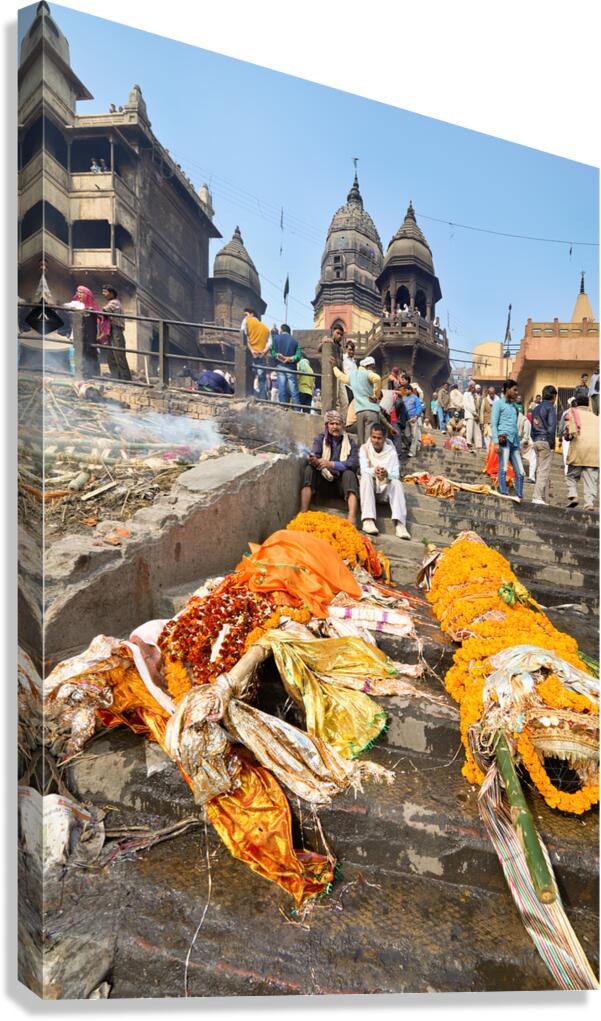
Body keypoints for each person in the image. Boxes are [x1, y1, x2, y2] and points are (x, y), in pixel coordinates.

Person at [300, 410, 360, 525]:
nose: (335, 427)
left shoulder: (350, 442)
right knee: (309, 470)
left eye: (338, 424)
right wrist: (315, 461)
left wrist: (331, 464)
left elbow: (353, 463)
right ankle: (303, 512)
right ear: (327, 426)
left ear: (342, 425)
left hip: (341, 485)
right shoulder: (320, 439)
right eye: (331, 424)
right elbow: (315, 456)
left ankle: (352, 517)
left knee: (350, 474)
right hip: (323, 482)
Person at [359, 423, 410, 539]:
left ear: (385, 438)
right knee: (366, 476)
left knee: (397, 483)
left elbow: (396, 475)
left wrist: (387, 474)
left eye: (379, 438)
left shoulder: (391, 452)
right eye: (374, 437)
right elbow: (363, 469)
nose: (376, 441)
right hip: (369, 489)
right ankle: (368, 519)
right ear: (370, 437)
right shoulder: (364, 449)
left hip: (385, 491)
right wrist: (374, 471)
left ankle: (400, 524)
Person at [333, 356, 382, 446]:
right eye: (373, 367)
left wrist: (334, 367)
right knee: (370, 441)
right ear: (369, 366)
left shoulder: (352, 376)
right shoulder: (368, 374)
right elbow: (377, 378)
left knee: (361, 441)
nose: (374, 369)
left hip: (359, 412)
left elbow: (341, 377)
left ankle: (361, 459)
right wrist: (376, 395)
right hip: (371, 410)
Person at [564, 391, 599, 510]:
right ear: (588, 403)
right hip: (595, 452)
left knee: (571, 476)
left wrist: (567, 436)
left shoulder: (573, 413)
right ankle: (589, 503)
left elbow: (570, 432)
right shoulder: (596, 417)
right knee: (591, 479)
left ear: (576, 403)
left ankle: (573, 495)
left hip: (579, 449)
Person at [491, 378, 524, 500]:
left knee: (521, 472)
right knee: (503, 468)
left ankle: (519, 495)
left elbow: (515, 427)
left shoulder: (514, 407)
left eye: (517, 390)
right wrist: (495, 442)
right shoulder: (498, 404)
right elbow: (493, 424)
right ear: (507, 390)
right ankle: (504, 493)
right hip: (503, 441)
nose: (516, 393)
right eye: (514, 390)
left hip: (514, 443)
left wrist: (519, 446)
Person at [63, 285, 102, 378]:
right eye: (78, 292)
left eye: (82, 293)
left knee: (90, 352)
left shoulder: (93, 306)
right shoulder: (75, 304)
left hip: (90, 333)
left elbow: (100, 318)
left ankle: (92, 374)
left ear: (87, 295)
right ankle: (79, 373)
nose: (79, 294)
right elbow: (64, 306)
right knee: (78, 352)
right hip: (78, 332)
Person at [530, 384, 558, 505]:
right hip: (545, 440)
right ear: (553, 396)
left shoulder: (536, 408)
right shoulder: (551, 407)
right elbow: (552, 427)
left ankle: (541, 497)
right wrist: (551, 445)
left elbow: (532, 427)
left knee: (540, 469)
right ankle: (537, 496)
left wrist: (535, 439)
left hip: (536, 440)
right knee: (543, 470)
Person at [100, 285, 131, 381]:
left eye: (105, 292)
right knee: (111, 357)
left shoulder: (114, 303)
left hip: (116, 330)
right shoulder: (112, 302)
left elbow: (103, 311)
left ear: (111, 293)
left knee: (119, 356)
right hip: (112, 331)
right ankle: (116, 378)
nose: (103, 294)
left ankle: (126, 380)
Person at [241, 307, 271, 400]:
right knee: (262, 379)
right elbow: (270, 343)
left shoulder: (246, 321)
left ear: (252, 314)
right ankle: (262, 400)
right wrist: (263, 352)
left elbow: (243, 336)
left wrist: (251, 350)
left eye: (246, 314)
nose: (245, 316)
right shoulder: (266, 328)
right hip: (261, 356)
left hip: (250, 355)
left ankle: (249, 397)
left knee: (249, 376)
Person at [271, 323, 301, 406]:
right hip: (291, 368)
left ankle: (283, 407)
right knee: (294, 390)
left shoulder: (276, 339)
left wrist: (278, 356)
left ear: (281, 330)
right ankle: (297, 410)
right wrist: (289, 358)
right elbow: (298, 356)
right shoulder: (295, 341)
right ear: (289, 332)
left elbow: (272, 352)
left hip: (280, 366)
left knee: (282, 388)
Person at [401, 384, 423, 457]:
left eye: (406, 390)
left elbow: (419, 407)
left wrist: (416, 416)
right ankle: (416, 444)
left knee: (414, 435)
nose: (405, 391)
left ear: (410, 390)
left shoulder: (415, 398)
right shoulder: (403, 398)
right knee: (406, 435)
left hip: (413, 418)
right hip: (406, 419)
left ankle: (412, 452)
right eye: (405, 390)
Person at [518, 409, 537, 485]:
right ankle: (520, 475)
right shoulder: (515, 420)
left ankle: (532, 477)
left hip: (527, 443)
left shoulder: (526, 422)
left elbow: (526, 437)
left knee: (532, 460)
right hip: (520, 443)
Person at [463, 381, 482, 452]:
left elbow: (477, 406)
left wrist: (477, 414)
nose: (473, 388)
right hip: (469, 415)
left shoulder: (475, 396)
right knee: (469, 431)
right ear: (470, 386)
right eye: (472, 386)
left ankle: (479, 446)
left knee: (477, 431)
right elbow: (466, 406)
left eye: (474, 386)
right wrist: (474, 412)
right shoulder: (466, 394)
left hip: (476, 415)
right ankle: (468, 445)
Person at [480, 385, 498, 450]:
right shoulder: (485, 400)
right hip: (487, 422)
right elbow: (482, 411)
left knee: (494, 438)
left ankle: (492, 454)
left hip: (495, 423)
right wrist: (482, 422)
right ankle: (488, 452)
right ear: (488, 393)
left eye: (492, 393)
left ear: (494, 393)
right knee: (487, 437)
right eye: (490, 393)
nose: (491, 395)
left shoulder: (498, 400)